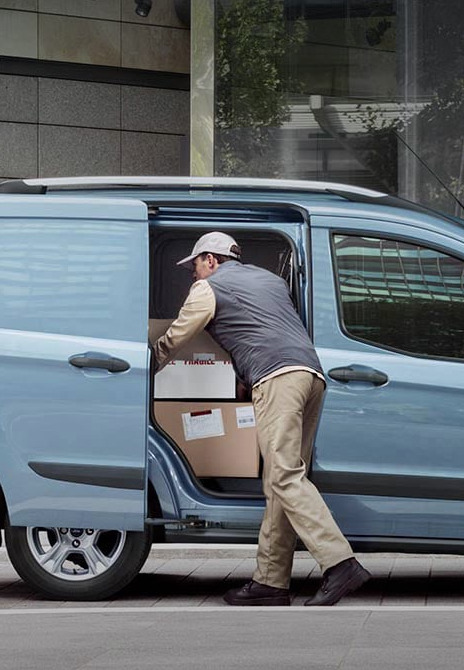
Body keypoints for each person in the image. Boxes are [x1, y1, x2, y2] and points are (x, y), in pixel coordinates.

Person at [153, 231, 370, 606]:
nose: (194, 274)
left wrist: (148, 363)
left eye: (195, 266)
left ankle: (340, 563)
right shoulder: (271, 281)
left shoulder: (209, 288)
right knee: (279, 481)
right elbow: (262, 328)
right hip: (310, 377)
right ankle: (270, 581)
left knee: (284, 476)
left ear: (211, 259)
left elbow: (177, 335)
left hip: (277, 379)